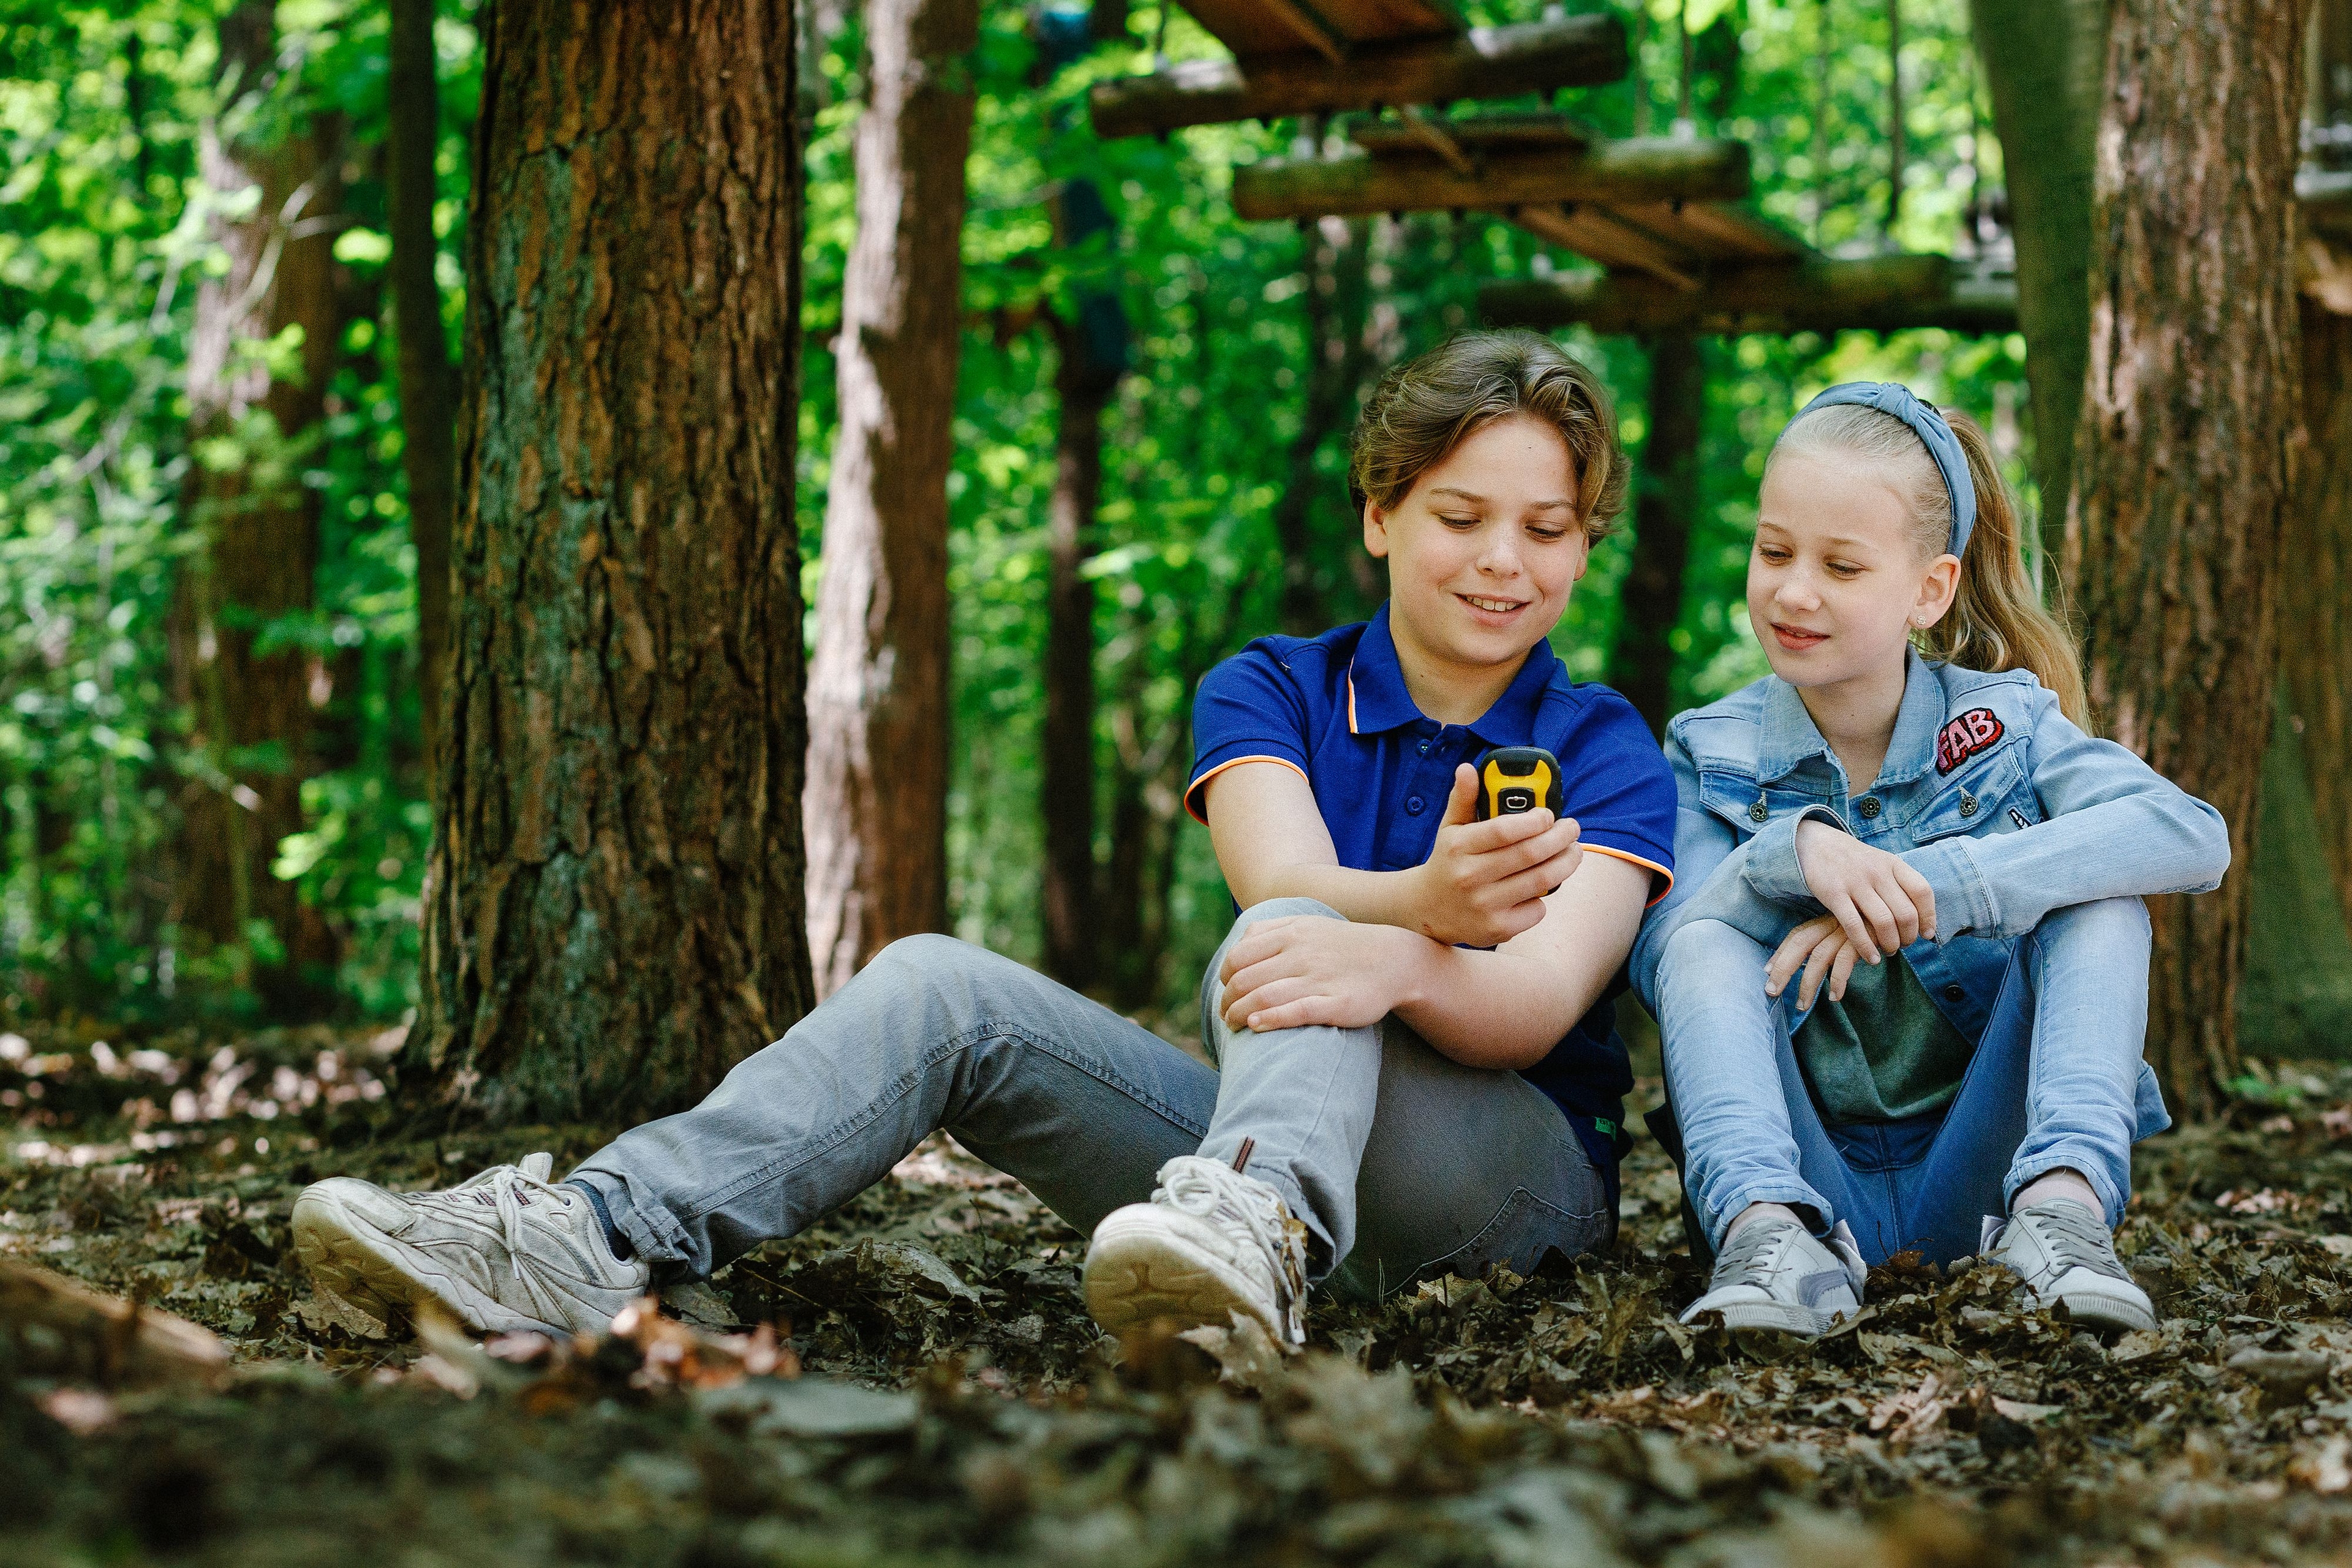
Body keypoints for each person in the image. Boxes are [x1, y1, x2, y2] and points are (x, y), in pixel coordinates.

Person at [289, 331, 1678, 1348]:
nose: (1506, 560)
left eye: (1547, 529)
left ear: (1580, 545)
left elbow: (1542, 999)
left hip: (1508, 1199)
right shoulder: (1272, 687)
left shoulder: (1606, 741)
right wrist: (1421, 903)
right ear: (1380, 513)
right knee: (943, 982)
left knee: (1309, 947)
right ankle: (587, 1232)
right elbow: (1279, 882)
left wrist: (1410, 962)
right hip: (1262, 1162)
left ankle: (1255, 1232)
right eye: (1461, 515)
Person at [1632, 383, 2230, 1340]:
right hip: (1802, 1183)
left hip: (1987, 1178)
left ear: (1930, 589)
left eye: (1842, 565)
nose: (1793, 591)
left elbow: (2190, 833)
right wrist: (1797, 853)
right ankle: (1761, 1241)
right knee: (1705, 942)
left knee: (2102, 901)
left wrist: (1947, 886)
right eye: (1774, 551)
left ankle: (2066, 1219)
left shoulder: (2007, 725)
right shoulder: (1709, 751)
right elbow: (1667, 954)